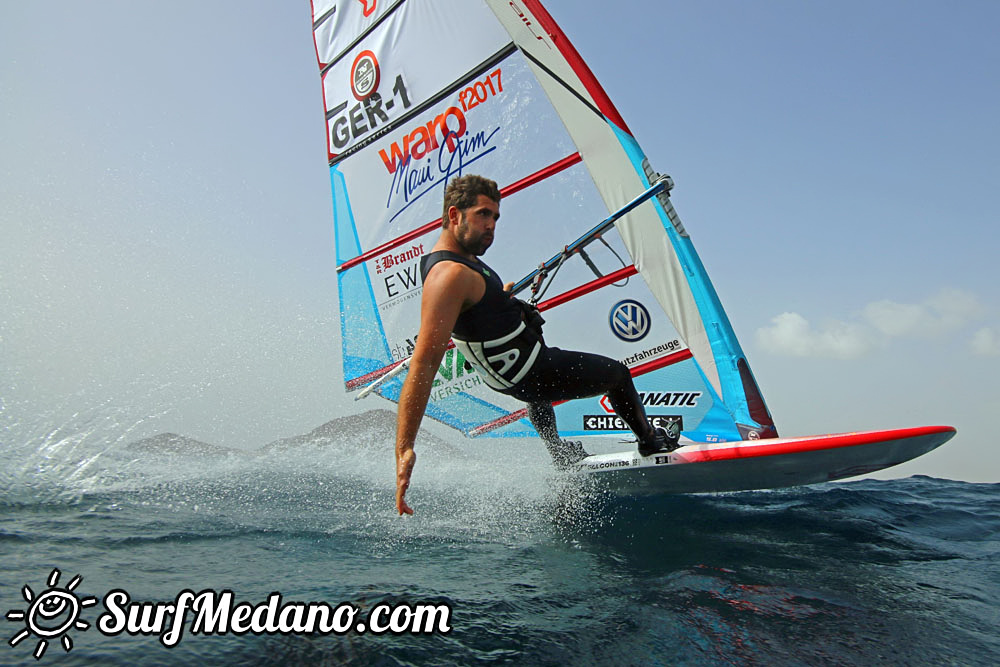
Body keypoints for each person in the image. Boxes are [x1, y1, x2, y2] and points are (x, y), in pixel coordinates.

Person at [394, 175, 679, 515]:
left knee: (538, 394)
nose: (491, 226)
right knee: (617, 375)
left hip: (516, 378)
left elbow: (474, 313)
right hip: (533, 371)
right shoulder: (449, 276)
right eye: (483, 215)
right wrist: (405, 448)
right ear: (454, 215)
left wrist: (499, 301)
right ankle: (650, 440)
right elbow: (424, 363)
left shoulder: (459, 261)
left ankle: (559, 454)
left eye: (496, 217)